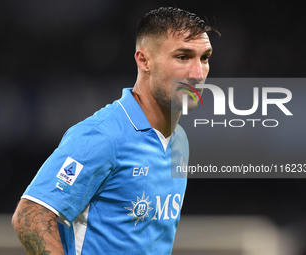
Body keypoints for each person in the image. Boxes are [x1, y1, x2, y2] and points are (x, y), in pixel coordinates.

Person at [12, 6, 214, 255]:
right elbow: (30, 215)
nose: (198, 73)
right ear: (144, 60)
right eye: (183, 57)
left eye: (204, 57)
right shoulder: (102, 135)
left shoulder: (179, 140)